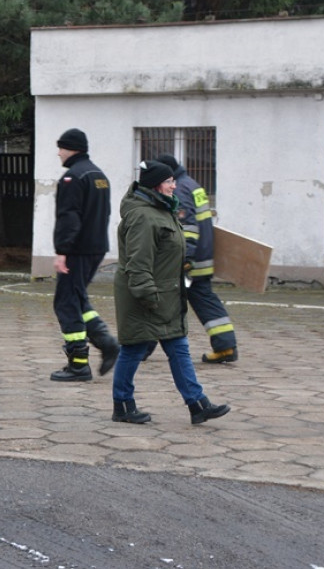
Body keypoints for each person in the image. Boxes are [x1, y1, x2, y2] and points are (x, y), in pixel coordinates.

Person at [111, 160, 231, 425]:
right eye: (169, 182)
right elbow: (138, 262)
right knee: (132, 350)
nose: (174, 185)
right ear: (156, 185)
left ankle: (198, 404)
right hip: (145, 297)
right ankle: (122, 405)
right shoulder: (143, 216)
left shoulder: (162, 209)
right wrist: (148, 296)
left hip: (166, 296)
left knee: (179, 349)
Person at [49, 128, 120, 382]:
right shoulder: (98, 175)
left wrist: (62, 252)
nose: (58, 153)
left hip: (77, 250)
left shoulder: (73, 177)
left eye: (61, 147)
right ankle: (105, 341)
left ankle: (78, 364)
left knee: (66, 303)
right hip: (96, 247)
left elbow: (69, 217)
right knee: (77, 297)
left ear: (72, 148)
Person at [157, 153, 238, 364]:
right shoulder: (191, 184)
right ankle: (225, 345)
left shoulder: (180, 189)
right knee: (201, 300)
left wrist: (185, 257)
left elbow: (188, 227)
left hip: (189, 261)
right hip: (201, 259)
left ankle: (140, 346)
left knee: (161, 300)